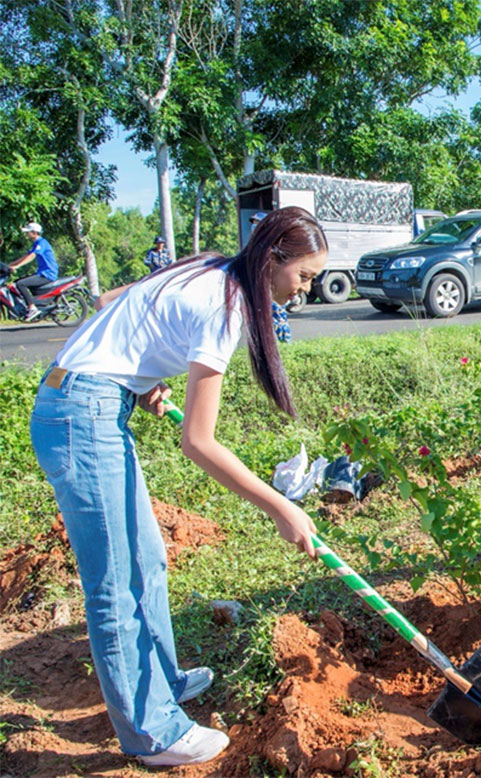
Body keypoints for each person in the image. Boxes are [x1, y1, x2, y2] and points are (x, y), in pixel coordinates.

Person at [29, 207, 327, 766]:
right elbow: (198, 442)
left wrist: (137, 376)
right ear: (272, 259)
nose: (305, 288)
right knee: (116, 585)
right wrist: (279, 507)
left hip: (85, 400)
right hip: (80, 417)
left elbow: (110, 302)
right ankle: (153, 734)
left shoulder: (209, 268)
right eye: (304, 275)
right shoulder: (225, 305)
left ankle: (161, 681)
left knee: (146, 560)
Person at [250, 211, 292, 342]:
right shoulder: (254, 249)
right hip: (262, 293)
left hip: (273, 292)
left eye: (257, 224)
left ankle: (285, 343)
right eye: (254, 224)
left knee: (278, 320)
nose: (254, 227)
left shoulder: (273, 249)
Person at [9, 221, 59, 321]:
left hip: (48, 274)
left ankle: (32, 308)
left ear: (35, 233)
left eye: (28, 232)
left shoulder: (42, 243)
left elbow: (32, 256)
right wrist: (10, 264)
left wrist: (17, 266)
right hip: (42, 273)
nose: (27, 234)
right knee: (17, 282)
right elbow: (26, 256)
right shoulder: (36, 244)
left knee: (21, 284)